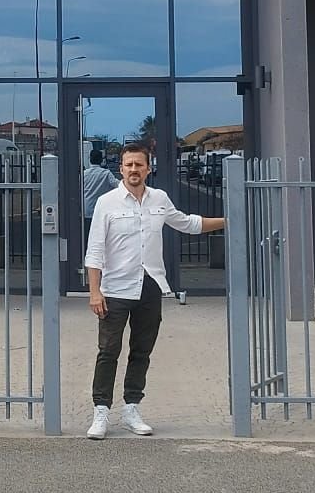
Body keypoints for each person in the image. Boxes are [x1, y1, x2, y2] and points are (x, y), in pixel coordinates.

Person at [81, 143, 223, 440]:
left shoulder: (159, 199)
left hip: (149, 285)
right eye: (128, 165)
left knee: (141, 351)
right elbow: (94, 252)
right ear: (120, 169)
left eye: (139, 165)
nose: (134, 170)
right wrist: (95, 292)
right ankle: (101, 412)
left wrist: (227, 221)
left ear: (148, 168)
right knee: (108, 351)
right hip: (115, 288)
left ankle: (132, 407)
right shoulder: (107, 202)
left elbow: (186, 223)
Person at [79, 146, 119, 221]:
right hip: (101, 211)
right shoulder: (106, 173)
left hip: (86, 210)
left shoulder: (83, 174)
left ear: (90, 159)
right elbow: (118, 185)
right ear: (101, 160)